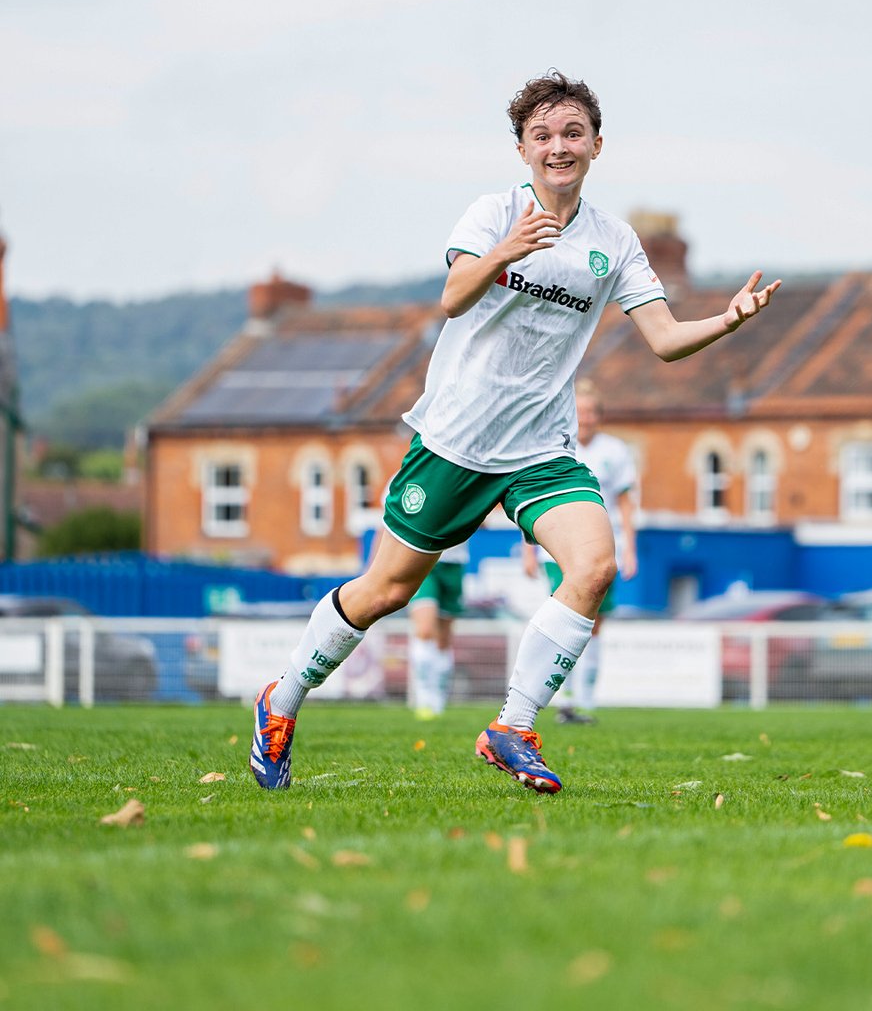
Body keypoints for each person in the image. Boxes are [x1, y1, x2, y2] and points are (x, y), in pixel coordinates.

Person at [250, 69, 780, 794]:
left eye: (572, 133)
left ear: (597, 145)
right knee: (385, 592)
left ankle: (513, 726)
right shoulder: (492, 213)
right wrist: (506, 250)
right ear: (523, 149)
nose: (558, 146)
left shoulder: (614, 242)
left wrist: (729, 319)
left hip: (541, 449)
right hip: (455, 442)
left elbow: (661, 338)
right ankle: (281, 704)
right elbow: (453, 296)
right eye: (543, 136)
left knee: (593, 567)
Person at [522, 379, 637, 724]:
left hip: (605, 548)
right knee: (565, 618)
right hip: (559, 549)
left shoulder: (615, 451)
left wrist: (631, 547)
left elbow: (626, 504)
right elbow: (531, 499)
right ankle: (563, 700)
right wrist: (528, 550)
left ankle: (586, 700)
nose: (584, 419)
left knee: (594, 625)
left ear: (599, 416)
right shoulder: (555, 447)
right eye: (579, 412)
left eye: (590, 412)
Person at [407, 542, 468, 719]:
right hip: (422, 557)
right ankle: (423, 697)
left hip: (455, 562)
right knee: (425, 630)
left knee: (444, 639)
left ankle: (439, 696)